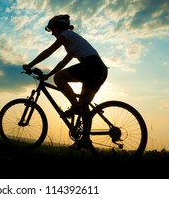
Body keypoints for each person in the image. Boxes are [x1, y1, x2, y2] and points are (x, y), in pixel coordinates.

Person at [22, 14, 108, 148]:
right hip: (100, 70)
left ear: (59, 27)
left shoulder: (67, 34)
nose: (52, 34)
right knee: (84, 107)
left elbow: (49, 51)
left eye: (52, 30)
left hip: (91, 65)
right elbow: (62, 63)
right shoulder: (72, 42)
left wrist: (30, 64)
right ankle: (85, 141)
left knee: (59, 78)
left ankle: (75, 106)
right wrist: (48, 74)